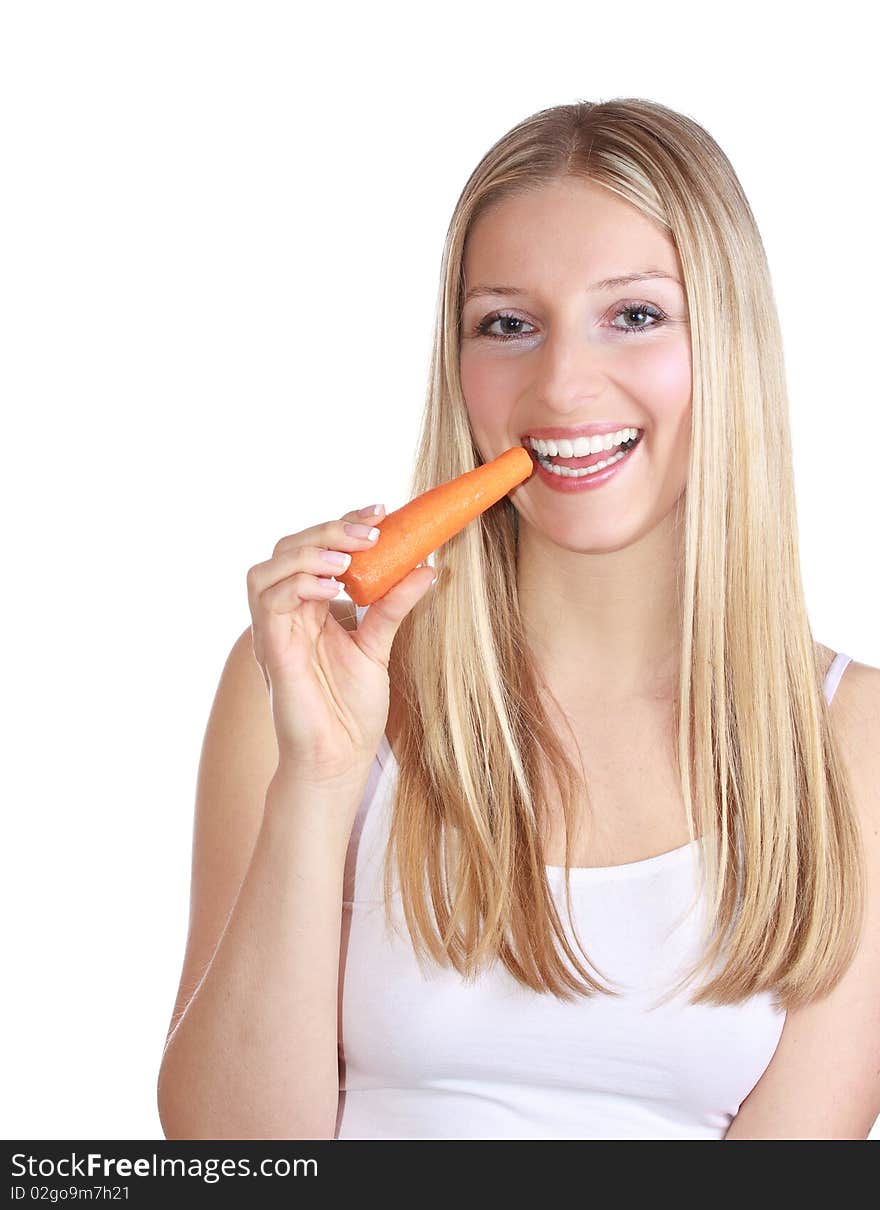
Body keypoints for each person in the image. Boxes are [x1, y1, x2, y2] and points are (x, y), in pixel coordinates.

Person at [156, 98, 880, 1140]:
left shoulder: (853, 740)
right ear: (458, 365)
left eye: (634, 314)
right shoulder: (307, 676)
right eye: (507, 323)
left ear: (729, 342)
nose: (562, 384)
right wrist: (318, 782)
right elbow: (229, 1160)